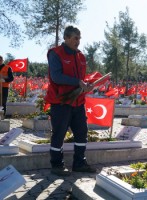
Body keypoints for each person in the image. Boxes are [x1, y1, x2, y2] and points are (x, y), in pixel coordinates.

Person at [45, 25, 96, 176]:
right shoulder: (55, 54)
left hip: (78, 102)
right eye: (75, 38)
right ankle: (56, 165)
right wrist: (78, 82)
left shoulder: (81, 56)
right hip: (60, 102)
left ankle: (79, 163)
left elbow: (81, 79)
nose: (78, 41)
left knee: (82, 133)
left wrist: (86, 85)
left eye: (79, 38)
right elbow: (56, 77)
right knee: (59, 134)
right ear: (66, 38)